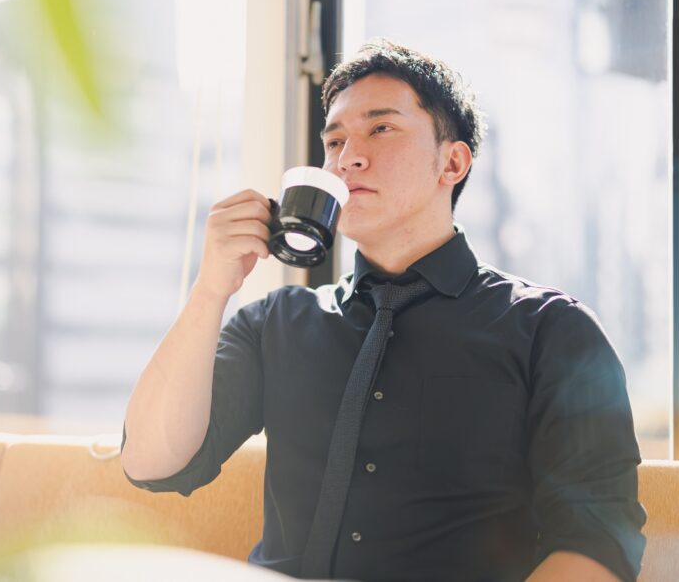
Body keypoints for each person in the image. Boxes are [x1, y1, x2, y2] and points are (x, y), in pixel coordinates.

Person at [121, 39, 646, 582]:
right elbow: (152, 463)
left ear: (453, 161)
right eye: (335, 140)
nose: (349, 157)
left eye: (381, 128)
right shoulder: (275, 323)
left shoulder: (551, 330)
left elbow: (598, 538)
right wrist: (211, 290)